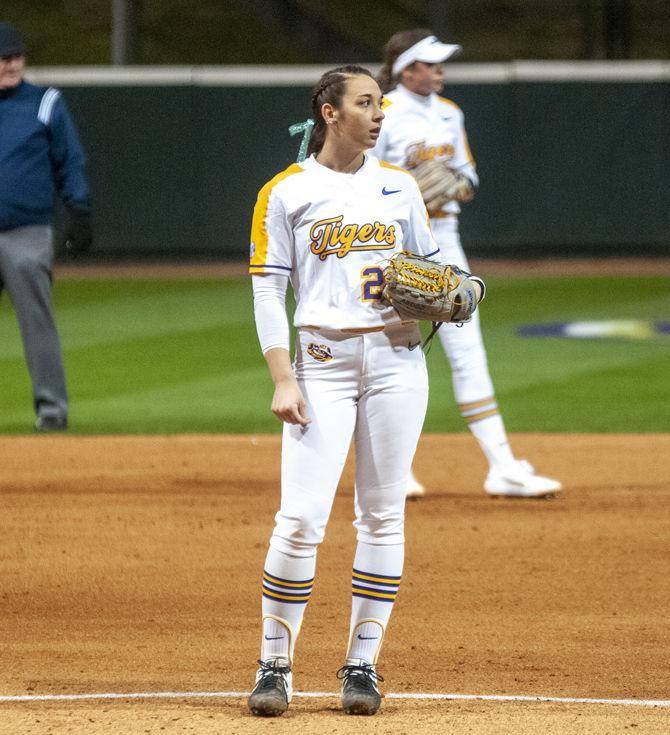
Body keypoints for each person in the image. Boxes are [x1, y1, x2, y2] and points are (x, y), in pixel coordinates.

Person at [247, 65, 484, 717]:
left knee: (383, 515)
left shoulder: (399, 186)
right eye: (366, 102)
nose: (379, 113)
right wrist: (283, 376)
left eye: (381, 102)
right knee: (299, 519)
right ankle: (275, 664)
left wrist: (444, 290)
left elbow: (435, 270)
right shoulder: (286, 192)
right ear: (330, 112)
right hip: (319, 365)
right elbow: (268, 288)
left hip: (397, 362)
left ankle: (363, 664)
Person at [372, 29, 561, 499]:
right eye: (431, 64)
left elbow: (468, 178)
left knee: (468, 349)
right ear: (406, 69)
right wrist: (406, 190)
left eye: (441, 64)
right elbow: (359, 180)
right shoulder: (382, 113)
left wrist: (452, 182)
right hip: (392, 244)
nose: (440, 71)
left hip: (445, 240)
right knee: (392, 351)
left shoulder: (449, 113)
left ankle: (503, 466)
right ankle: (390, 471)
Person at [0, 22, 92, 432]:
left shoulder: (45, 102)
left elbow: (69, 160)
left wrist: (79, 208)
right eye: (4, 58)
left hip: (27, 231)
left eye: (16, 56)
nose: (12, 63)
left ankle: (51, 413)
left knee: (38, 323)